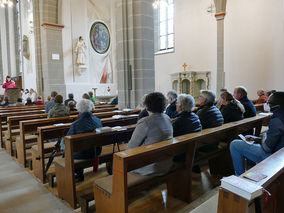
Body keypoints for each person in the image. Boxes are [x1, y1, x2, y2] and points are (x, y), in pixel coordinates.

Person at [230, 92, 284, 176]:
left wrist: (259, 141)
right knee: (250, 143)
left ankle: (239, 176)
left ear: (276, 106)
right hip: (280, 153)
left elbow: (267, 148)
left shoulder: (277, 121)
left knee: (234, 144)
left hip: (274, 158)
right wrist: (257, 139)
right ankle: (250, 171)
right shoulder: (281, 115)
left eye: (269, 103)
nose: (267, 105)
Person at [127, 92, 173, 176]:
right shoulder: (167, 118)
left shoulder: (145, 122)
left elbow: (131, 148)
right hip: (166, 163)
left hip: (150, 167)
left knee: (118, 160)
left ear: (147, 106)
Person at [61, 99, 102, 181]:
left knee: (66, 146)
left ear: (78, 109)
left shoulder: (75, 125)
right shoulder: (98, 121)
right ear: (91, 108)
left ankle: (79, 174)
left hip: (82, 154)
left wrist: (62, 147)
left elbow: (67, 140)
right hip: (96, 151)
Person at [173, 94, 202, 162]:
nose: (176, 105)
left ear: (180, 106)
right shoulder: (195, 116)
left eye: (177, 103)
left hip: (182, 154)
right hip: (194, 150)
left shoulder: (179, 120)